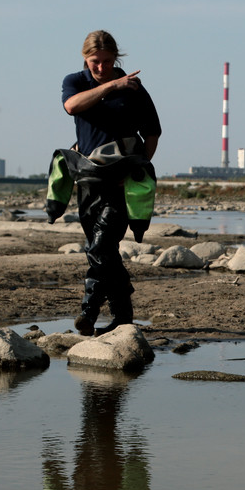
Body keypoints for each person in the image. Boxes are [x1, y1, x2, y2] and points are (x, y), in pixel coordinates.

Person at [58, 30, 162, 336]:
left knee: (102, 246)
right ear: (85, 58)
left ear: (116, 57)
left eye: (106, 62)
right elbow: (72, 107)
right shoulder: (75, 82)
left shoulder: (134, 90)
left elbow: (153, 132)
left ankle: (88, 311)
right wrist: (113, 84)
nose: (100, 67)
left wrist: (136, 169)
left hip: (121, 184)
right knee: (102, 249)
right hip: (88, 180)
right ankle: (123, 316)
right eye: (94, 62)